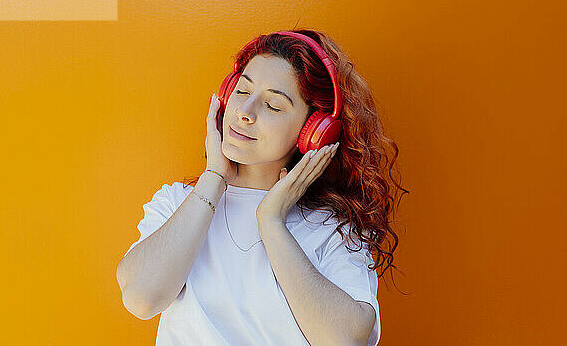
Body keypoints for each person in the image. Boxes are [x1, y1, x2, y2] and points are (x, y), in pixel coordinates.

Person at [116, 29, 408, 345]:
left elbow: (344, 340)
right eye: (242, 91)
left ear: (313, 133)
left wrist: (271, 221)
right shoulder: (176, 203)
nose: (244, 112)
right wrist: (214, 178)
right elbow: (142, 299)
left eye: (272, 105)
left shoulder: (330, 229)